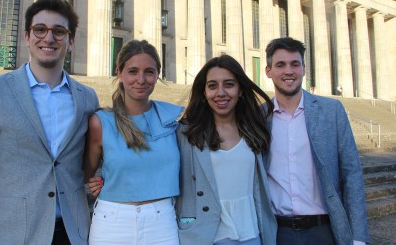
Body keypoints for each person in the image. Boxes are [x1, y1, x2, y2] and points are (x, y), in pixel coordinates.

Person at [0, 0, 99, 245]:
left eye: (59, 31)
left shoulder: (87, 98)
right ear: (27, 37)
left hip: (73, 234)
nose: (48, 38)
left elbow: (90, 162)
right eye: (40, 29)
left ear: (71, 41)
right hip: (12, 234)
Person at [264, 37, 369, 245]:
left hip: (323, 232)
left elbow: (351, 174)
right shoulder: (258, 117)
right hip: (276, 233)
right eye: (280, 65)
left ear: (304, 69)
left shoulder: (332, 111)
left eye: (295, 64)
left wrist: (358, 238)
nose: (288, 71)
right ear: (268, 71)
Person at [84, 39, 183, 244]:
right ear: (119, 73)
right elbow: (84, 174)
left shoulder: (174, 118)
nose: (141, 79)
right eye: (133, 71)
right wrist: (93, 183)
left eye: (149, 71)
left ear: (158, 74)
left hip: (162, 222)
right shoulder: (100, 123)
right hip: (111, 223)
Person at [175, 54, 277, 245]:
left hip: (251, 234)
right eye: (212, 86)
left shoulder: (254, 129)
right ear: (204, 93)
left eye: (229, 84)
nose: (220, 92)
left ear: (240, 91)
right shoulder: (186, 133)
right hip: (206, 236)